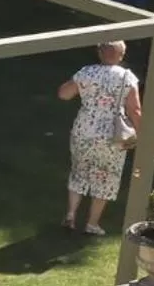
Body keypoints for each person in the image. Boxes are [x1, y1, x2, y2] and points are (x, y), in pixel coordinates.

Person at [59, 41, 141, 235]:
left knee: (79, 170)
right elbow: (135, 109)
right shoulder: (127, 77)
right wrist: (143, 132)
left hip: (84, 128)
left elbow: (64, 94)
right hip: (112, 133)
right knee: (106, 176)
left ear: (100, 53)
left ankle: (71, 214)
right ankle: (92, 223)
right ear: (121, 55)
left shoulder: (87, 72)